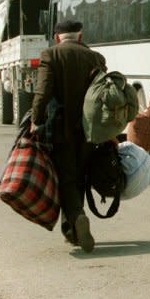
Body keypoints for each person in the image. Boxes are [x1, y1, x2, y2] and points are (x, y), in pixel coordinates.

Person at [31, 20, 106, 253]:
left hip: (60, 128)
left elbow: (42, 92)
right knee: (79, 177)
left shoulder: (50, 56)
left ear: (57, 38)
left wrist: (35, 120)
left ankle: (77, 216)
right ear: (80, 37)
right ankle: (71, 229)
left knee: (66, 178)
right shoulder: (96, 58)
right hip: (90, 129)